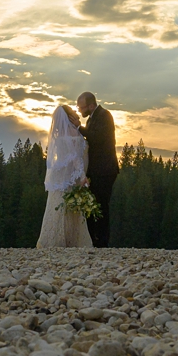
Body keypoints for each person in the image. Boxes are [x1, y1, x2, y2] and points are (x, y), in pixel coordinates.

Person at [34, 102, 93, 250]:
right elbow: (75, 158)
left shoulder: (59, 135)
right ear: (68, 116)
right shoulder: (73, 133)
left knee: (58, 206)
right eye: (72, 111)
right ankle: (70, 241)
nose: (75, 111)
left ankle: (52, 240)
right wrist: (81, 177)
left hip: (60, 176)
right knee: (69, 207)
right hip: (70, 175)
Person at [77, 91, 117, 248]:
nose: (80, 111)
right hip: (96, 170)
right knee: (93, 205)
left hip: (105, 170)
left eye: (82, 107)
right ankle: (95, 240)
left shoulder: (105, 116)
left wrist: (78, 127)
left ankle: (103, 242)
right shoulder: (93, 119)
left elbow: (97, 137)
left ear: (91, 105)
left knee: (101, 205)